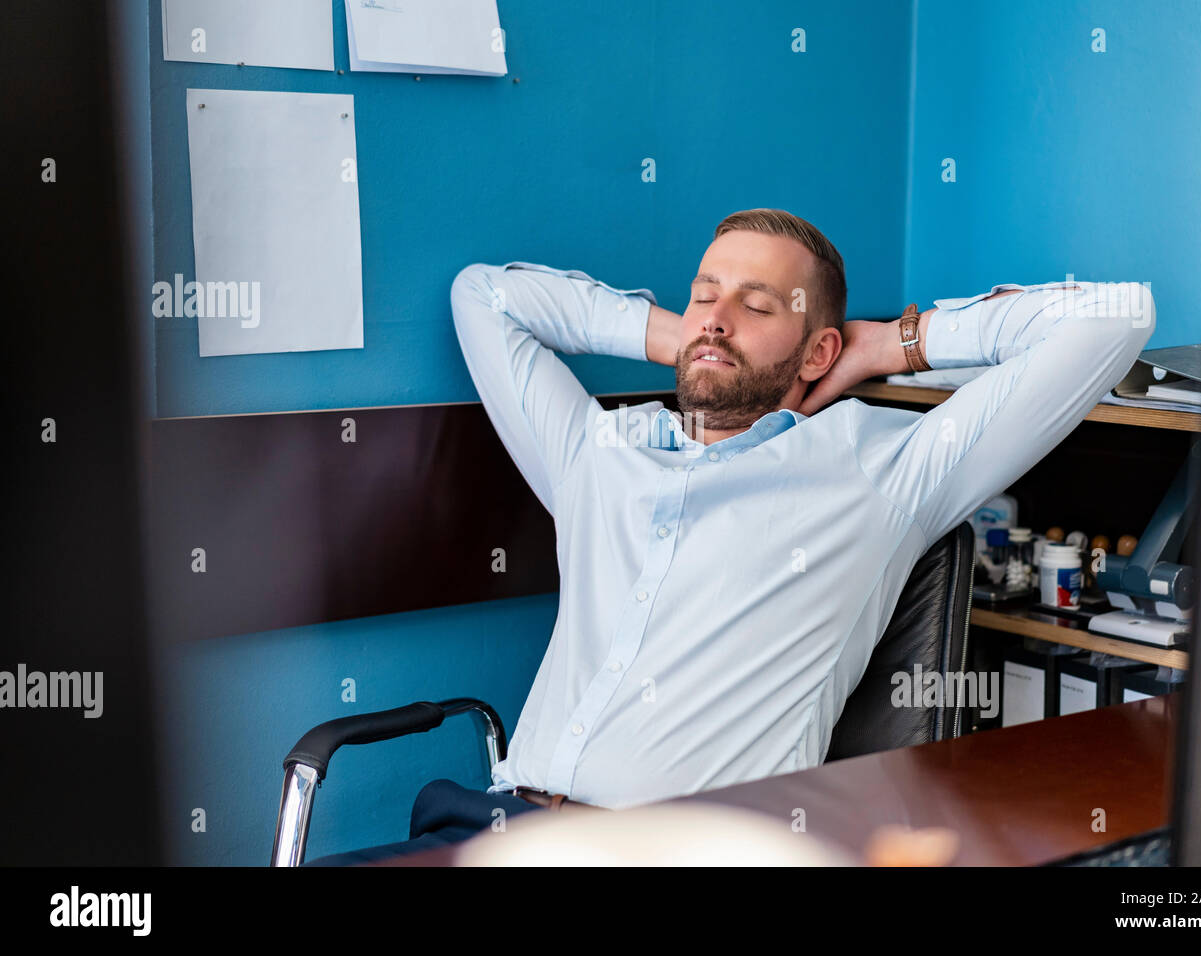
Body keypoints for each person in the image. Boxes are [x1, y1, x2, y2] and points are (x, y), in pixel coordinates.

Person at [306, 207, 1154, 864]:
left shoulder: (879, 475)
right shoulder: (599, 452)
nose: (716, 317)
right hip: (495, 827)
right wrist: (696, 340)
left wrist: (885, 345)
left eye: (757, 305)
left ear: (818, 348)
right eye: (705, 294)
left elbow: (1115, 317)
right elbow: (484, 295)